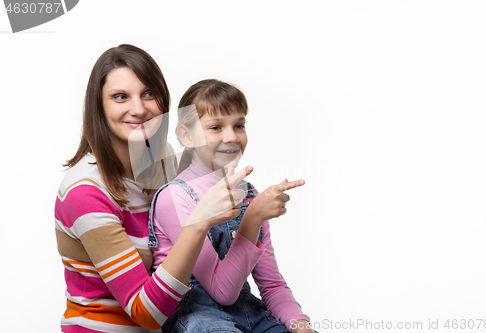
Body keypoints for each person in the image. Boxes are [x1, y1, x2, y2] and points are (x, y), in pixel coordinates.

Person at [54, 45, 252, 332]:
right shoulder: (84, 190)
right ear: (99, 106)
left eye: (148, 93)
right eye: (120, 97)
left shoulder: (164, 161)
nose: (139, 109)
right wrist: (199, 222)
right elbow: (144, 312)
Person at [149, 79, 316, 333]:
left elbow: (271, 285)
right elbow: (221, 291)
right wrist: (253, 218)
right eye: (216, 127)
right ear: (186, 136)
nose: (231, 136)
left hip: (248, 311)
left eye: (239, 125)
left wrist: (299, 324)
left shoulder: (250, 196)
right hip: (195, 316)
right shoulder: (174, 197)